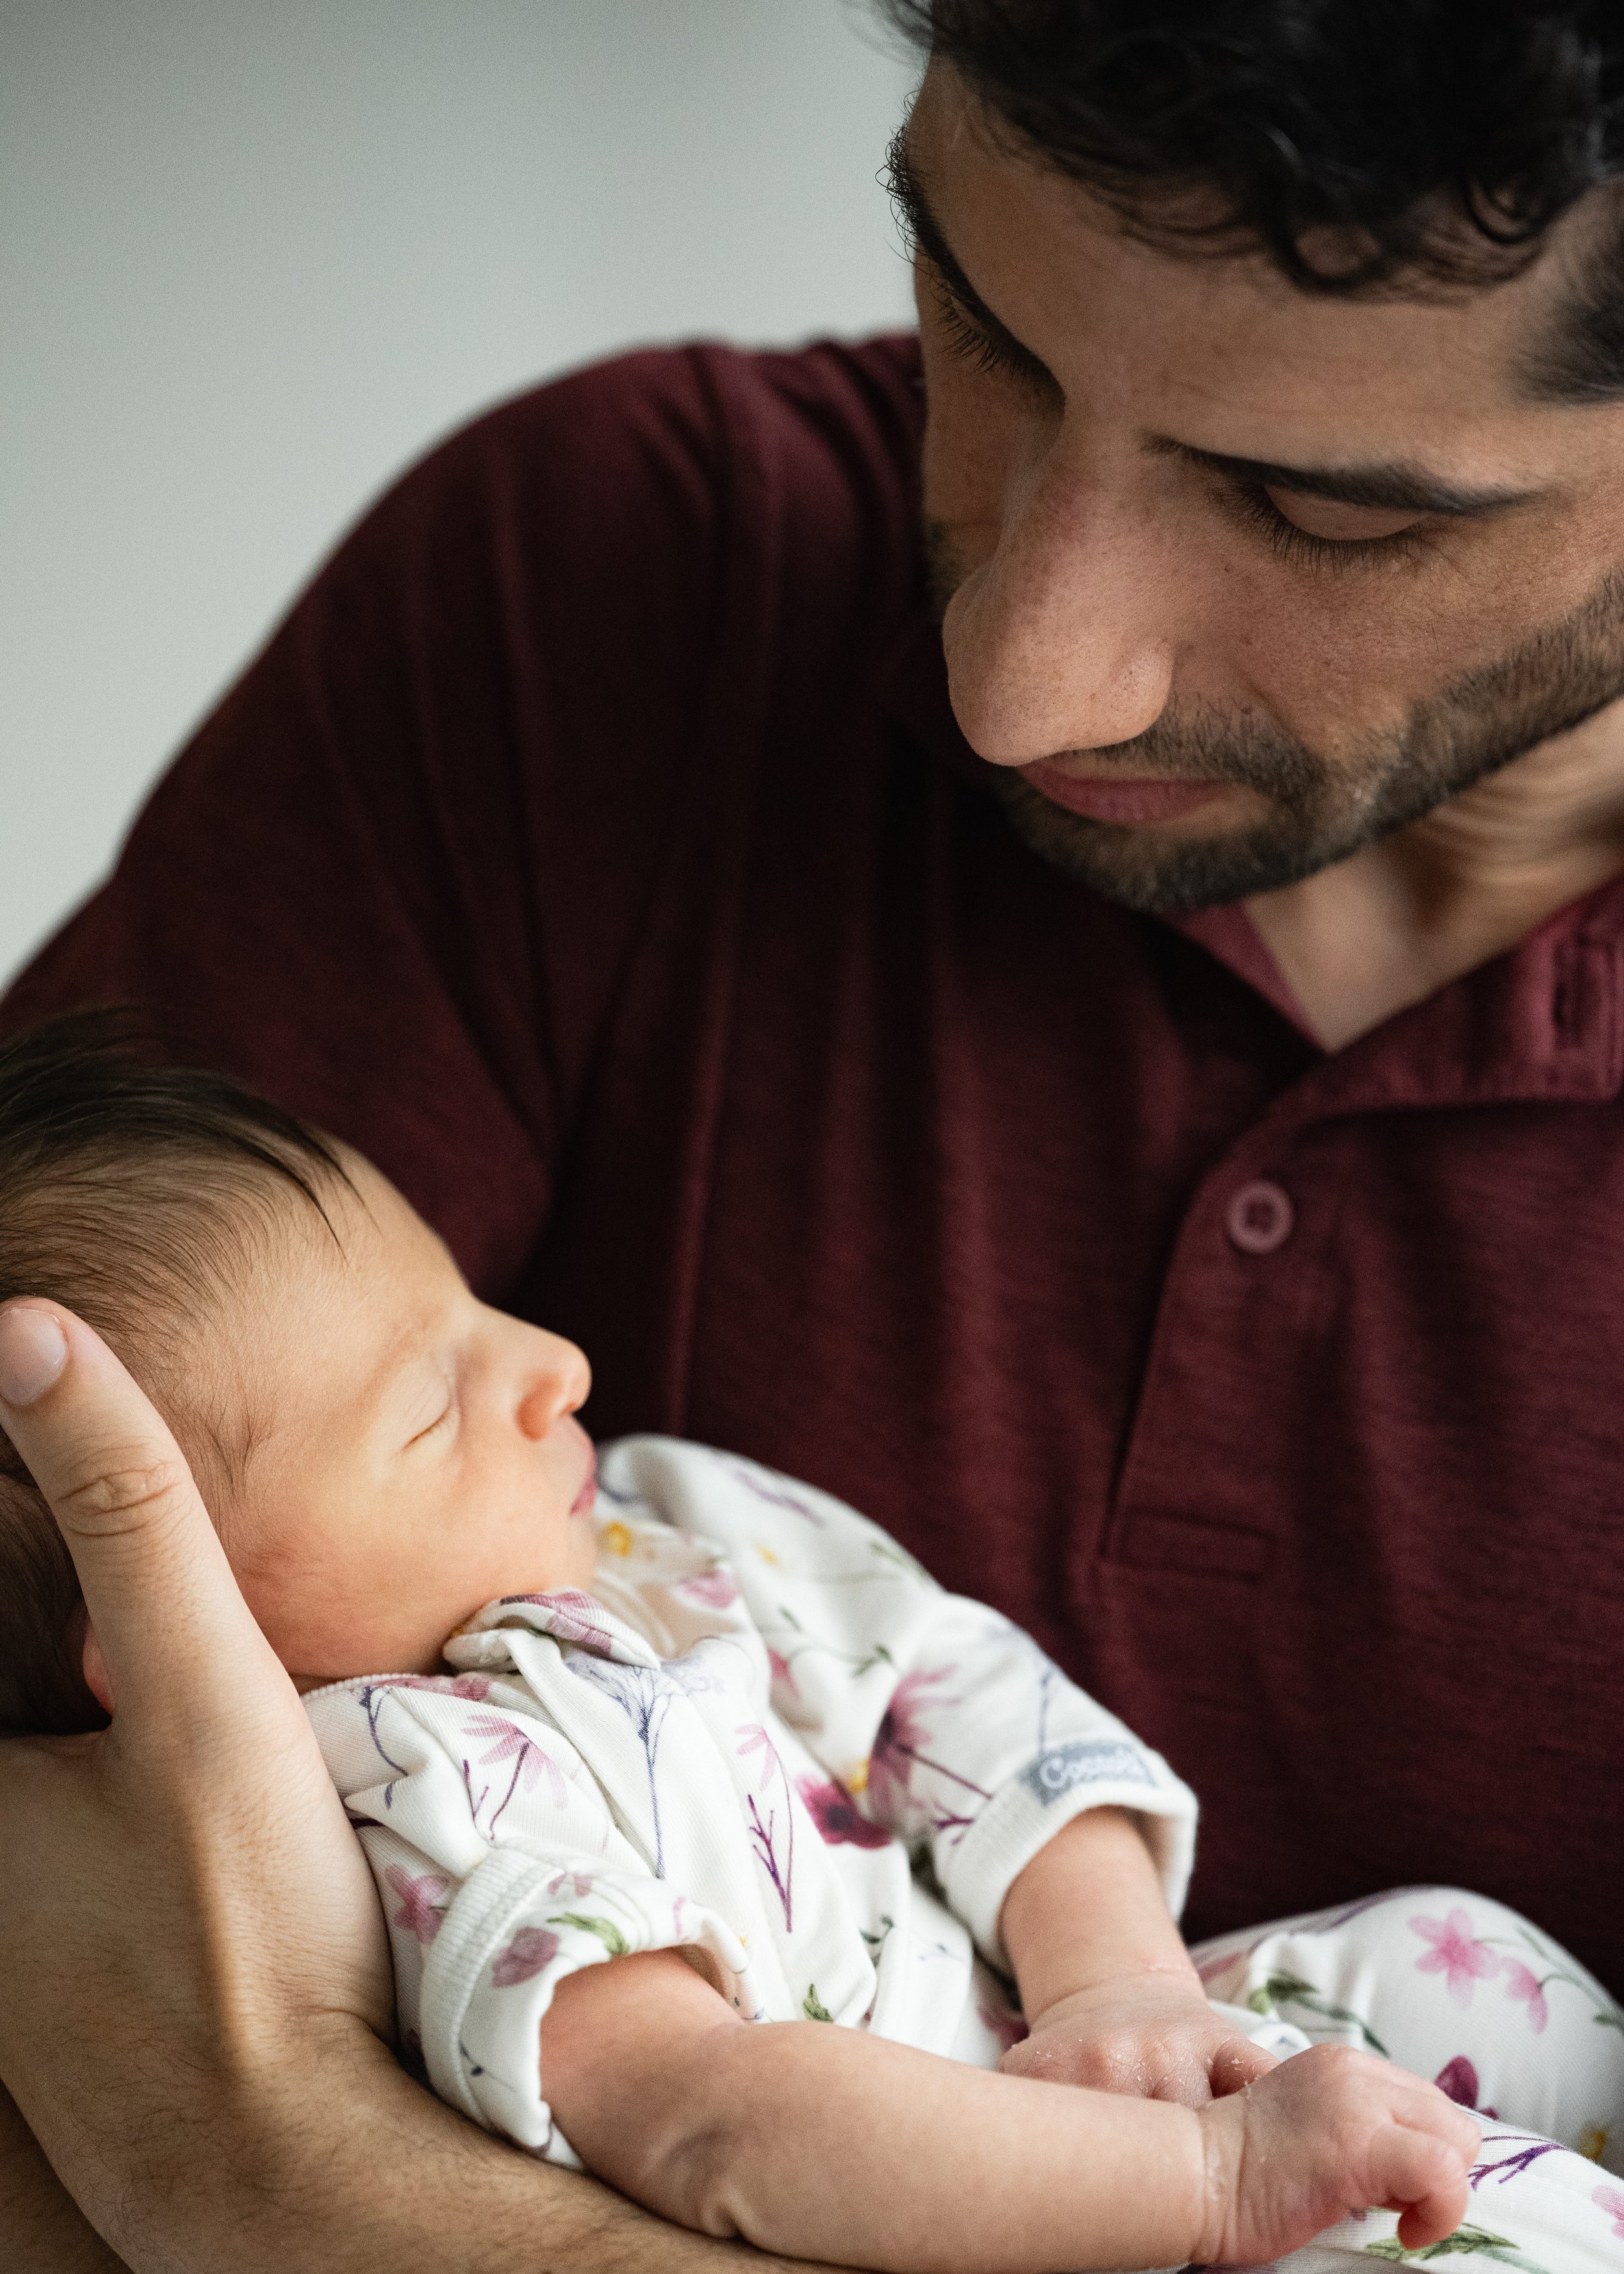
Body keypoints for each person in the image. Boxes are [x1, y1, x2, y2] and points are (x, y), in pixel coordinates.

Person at [6, 0, 1624, 2263]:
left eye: (1322, 503)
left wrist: (293, 2173)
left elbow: (173, 2112)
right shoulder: (607, 587)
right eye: (984, 326)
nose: (1016, 680)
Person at [2, 1017, 1609, 2273]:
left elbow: (965, 1704)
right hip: (1026, 2200)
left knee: (1461, 1963)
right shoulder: (420, 1807)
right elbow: (717, 2123)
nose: (552, 1361)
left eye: (475, 1300)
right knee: (1468, 2226)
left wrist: (1116, 1991)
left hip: (1112, 2018)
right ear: (166, 1623)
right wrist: (1203, 2177)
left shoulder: (659, 1520)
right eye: (428, 1409)